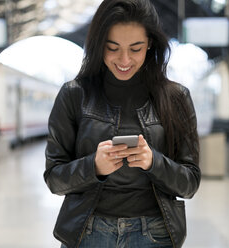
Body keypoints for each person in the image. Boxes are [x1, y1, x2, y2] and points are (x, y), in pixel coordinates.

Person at [44, 0, 201, 247]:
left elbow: (190, 183)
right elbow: (54, 178)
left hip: (155, 234)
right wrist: (94, 166)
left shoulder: (176, 98)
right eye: (113, 48)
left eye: (136, 48)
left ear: (150, 43)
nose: (124, 60)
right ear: (98, 45)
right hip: (88, 233)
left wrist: (153, 162)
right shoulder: (74, 95)